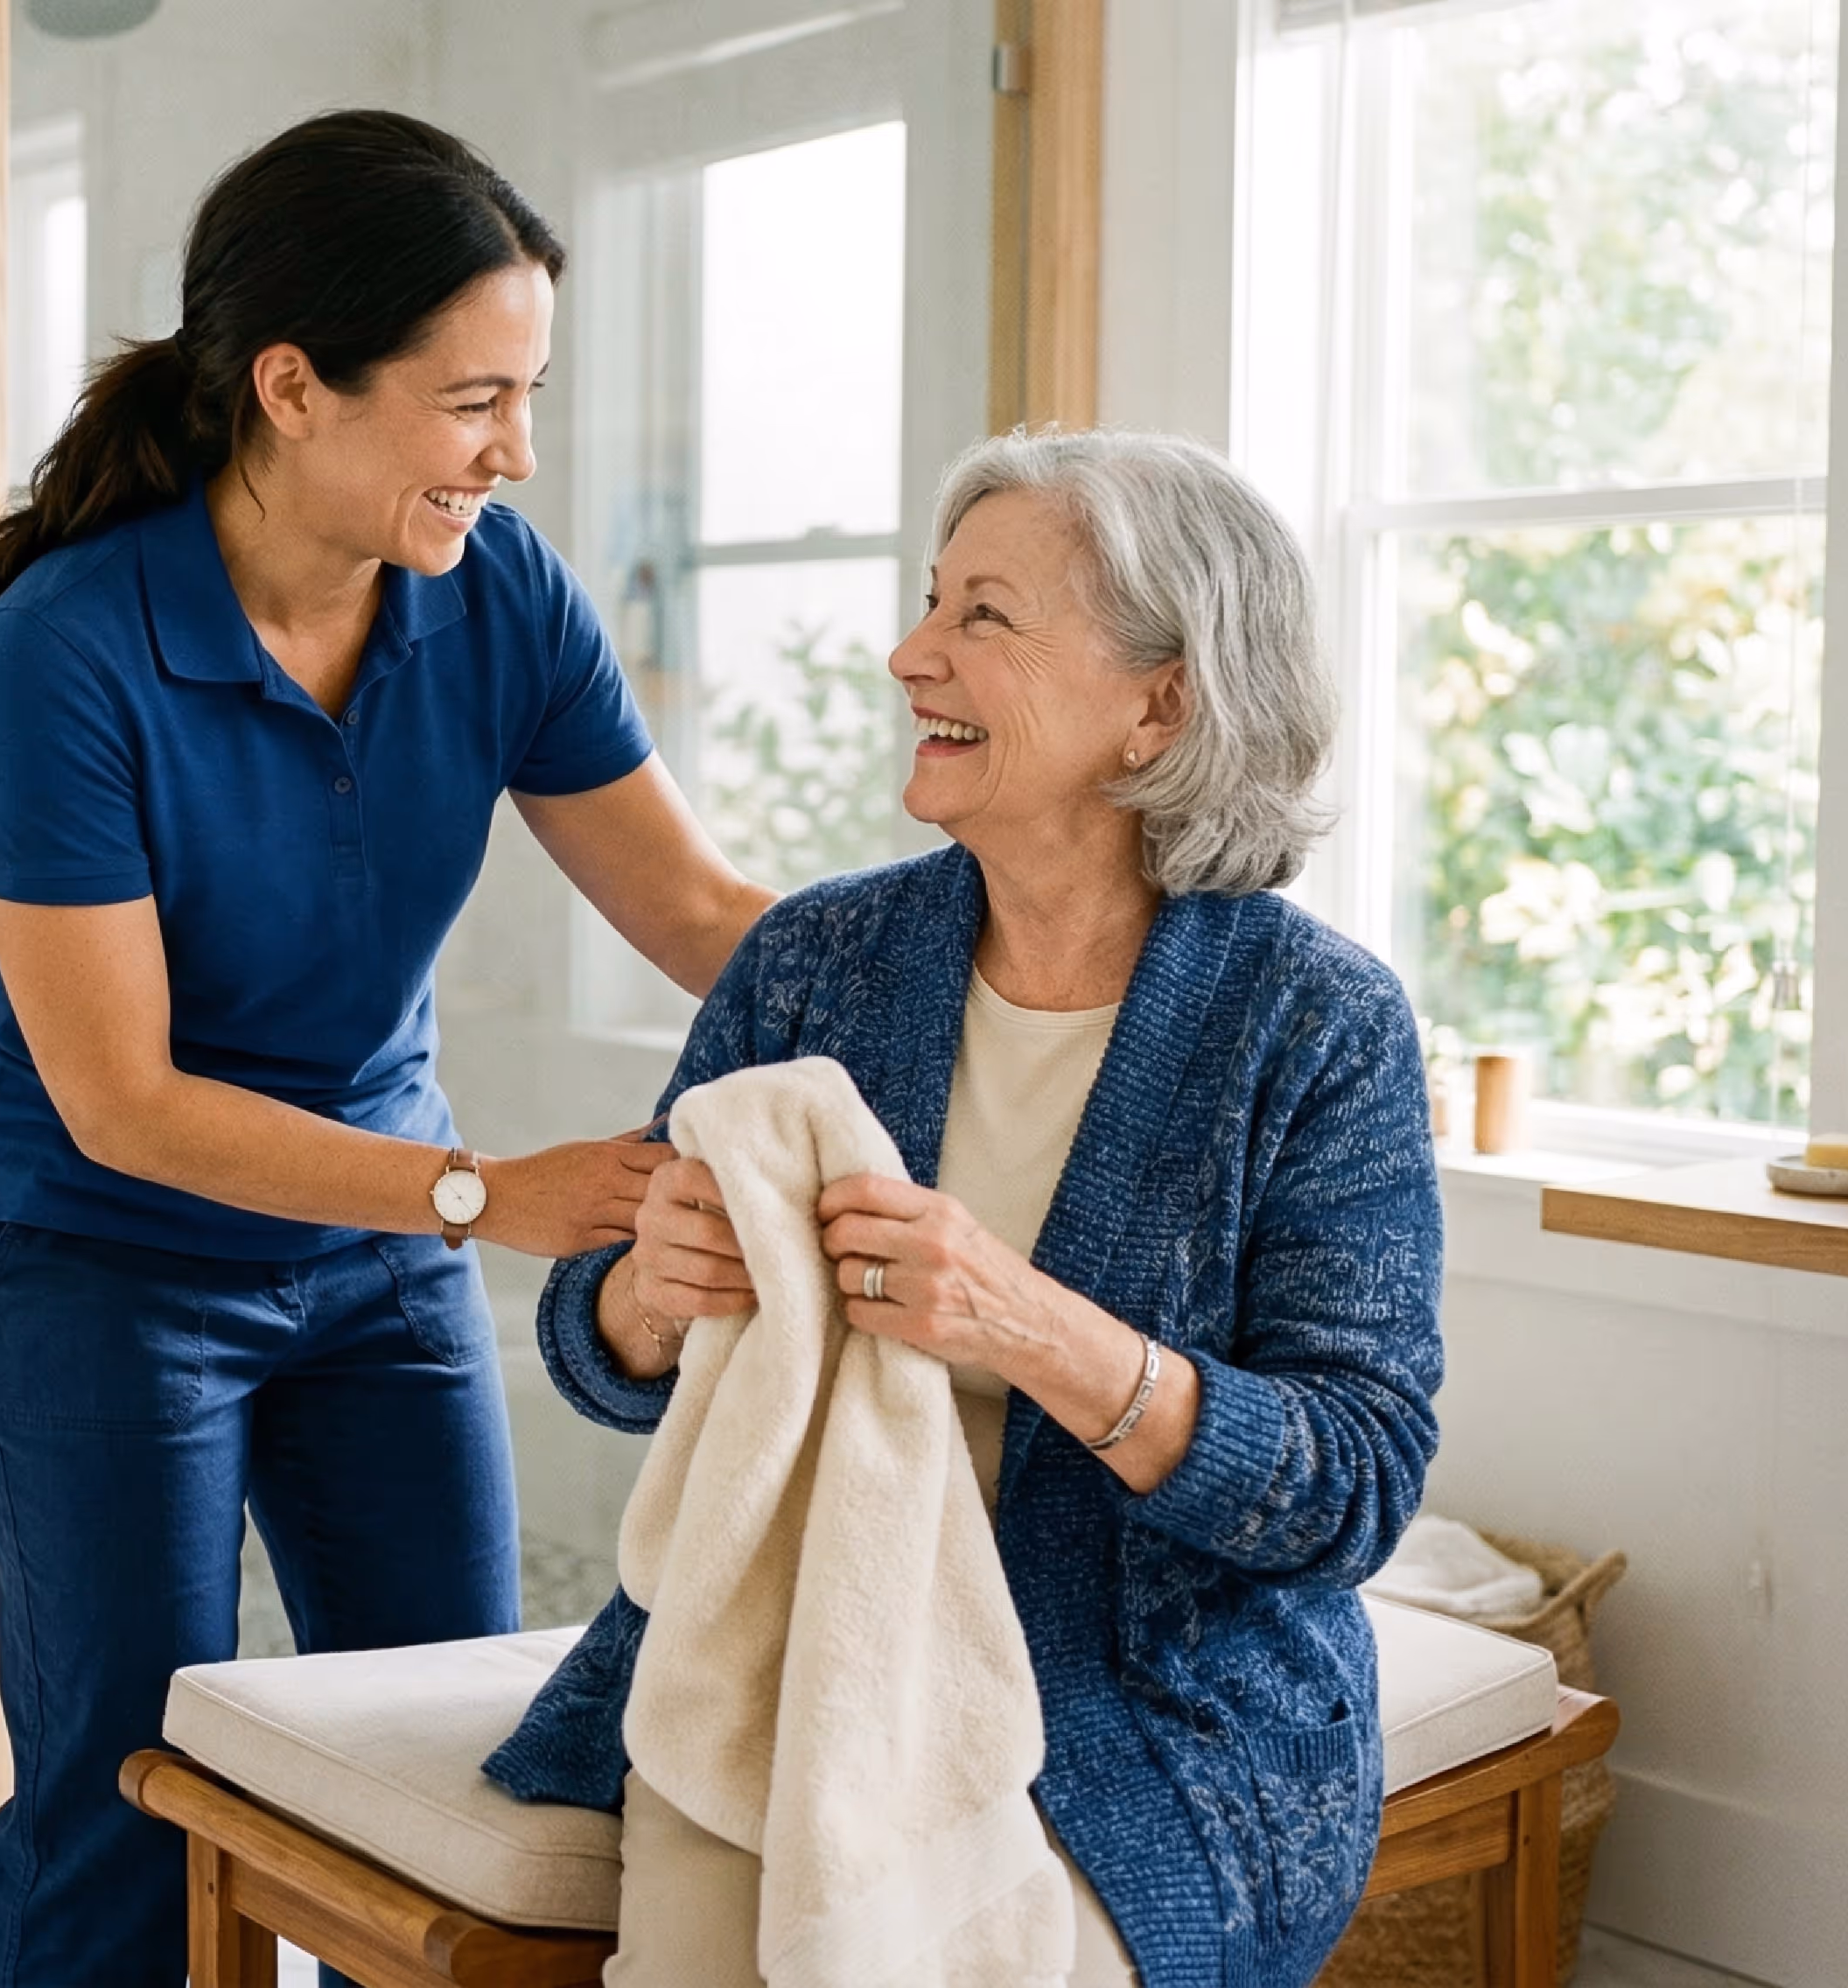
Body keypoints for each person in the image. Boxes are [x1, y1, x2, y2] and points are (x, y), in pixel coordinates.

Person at [0, 109, 773, 1986]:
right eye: (474, 398)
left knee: (464, 1760)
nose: (517, 451)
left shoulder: (500, 592)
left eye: (529, 392)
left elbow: (705, 916)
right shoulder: (78, 641)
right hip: (101, 1251)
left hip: (375, 1251)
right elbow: (120, 1099)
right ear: (292, 385)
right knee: (122, 1787)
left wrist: (1029, 970)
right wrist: (491, 1196)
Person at [487, 430, 1445, 1987]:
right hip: (793, 1657)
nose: (905, 651)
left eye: (982, 617)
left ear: (1161, 702)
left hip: (1144, 1709)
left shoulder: (1313, 1023)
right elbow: (596, 1353)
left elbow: (1352, 1486)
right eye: (930, 602)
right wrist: (643, 1292)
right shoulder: (810, 964)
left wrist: (1029, 1325)